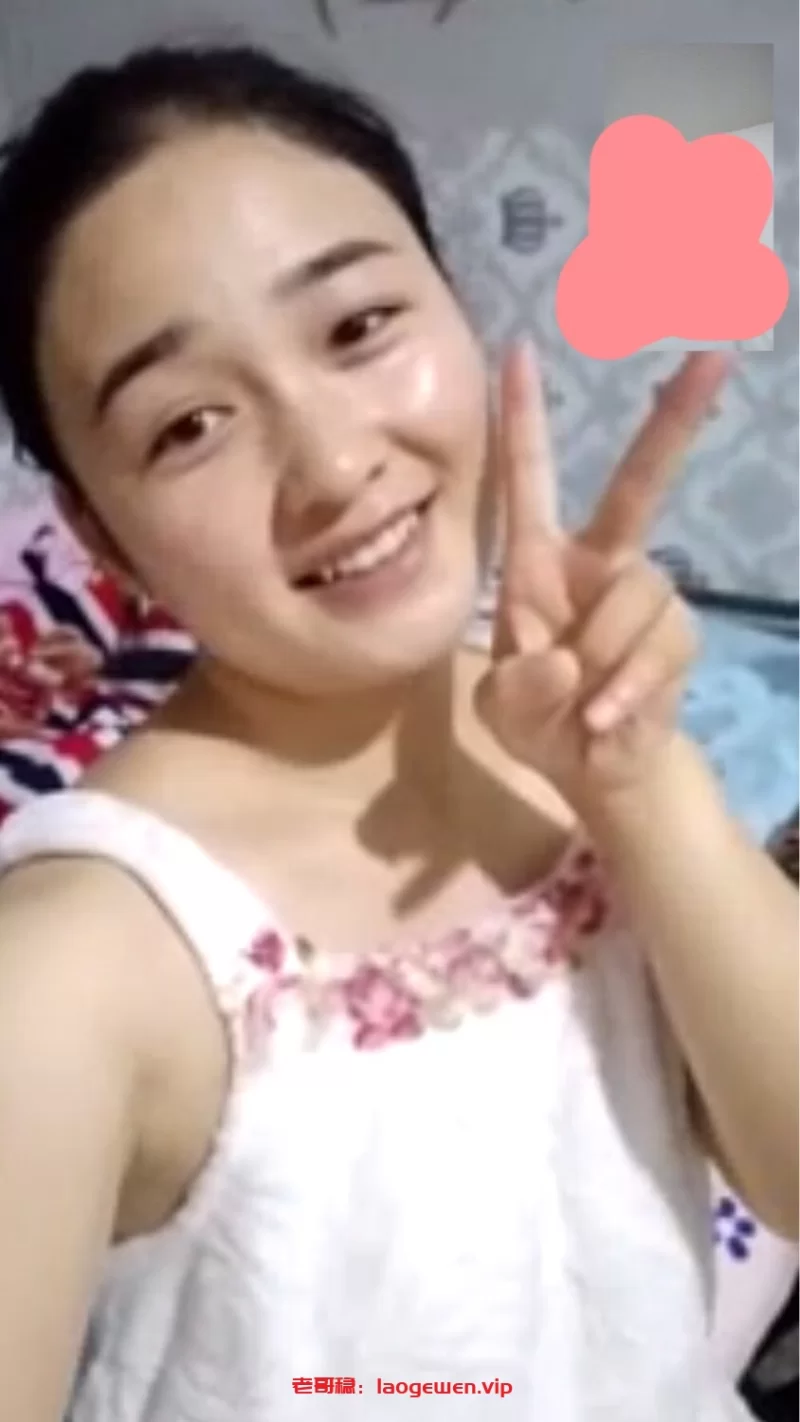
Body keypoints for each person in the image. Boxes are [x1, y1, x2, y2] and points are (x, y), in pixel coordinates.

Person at [0, 43, 795, 1422]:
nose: (333, 464)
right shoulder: (77, 963)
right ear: (100, 536)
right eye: (190, 425)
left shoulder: (581, 750)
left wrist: (637, 778)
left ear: (457, 309)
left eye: (359, 327)